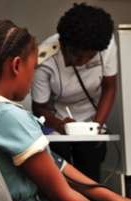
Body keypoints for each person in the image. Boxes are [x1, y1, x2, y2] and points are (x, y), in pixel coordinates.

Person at [0, 18, 131, 201]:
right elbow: (65, 196)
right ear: (17, 65)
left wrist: (115, 199)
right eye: (32, 66)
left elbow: (57, 166)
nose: (32, 76)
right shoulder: (7, 117)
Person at [32, 3, 117, 182]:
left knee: (90, 174)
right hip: (57, 120)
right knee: (61, 174)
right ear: (64, 45)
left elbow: (109, 87)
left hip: (92, 119)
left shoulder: (105, 44)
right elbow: (39, 108)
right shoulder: (44, 58)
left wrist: (96, 126)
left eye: (90, 56)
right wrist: (61, 125)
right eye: (77, 56)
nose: (84, 61)